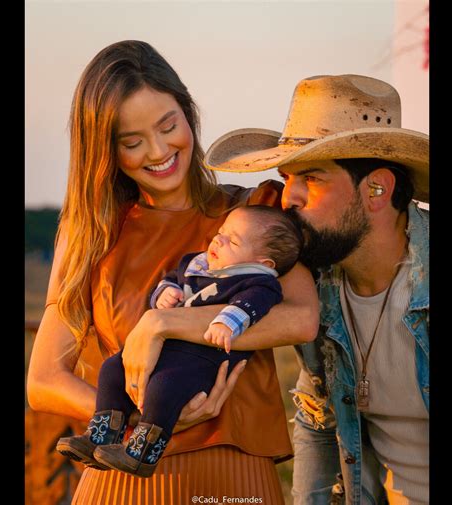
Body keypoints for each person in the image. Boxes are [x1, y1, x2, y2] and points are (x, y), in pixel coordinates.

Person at [26, 40, 320, 504]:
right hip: (118, 479)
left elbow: (301, 318)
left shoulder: (252, 217)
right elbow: (42, 380)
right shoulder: (89, 233)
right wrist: (143, 412)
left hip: (234, 477)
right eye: (132, 141)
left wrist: (163, 322)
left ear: (189, 113)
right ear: (106, 149)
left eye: (168, 126)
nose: (159, 151)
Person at [204, 74, 429, 505]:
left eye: (311, 177)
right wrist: (159, 323)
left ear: (378, 190)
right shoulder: (319, 284)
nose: (289, 198)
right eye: (287, 177)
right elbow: (319, 420)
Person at [56, 204, 303, 478]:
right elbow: (172, 279)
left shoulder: (257, 283)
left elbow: (252, 305)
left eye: (232, 240)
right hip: (168, 351)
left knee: (165, 386)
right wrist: (166, 293)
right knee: (113, 369)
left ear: (263, 263)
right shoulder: (197, 264)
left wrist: (226, 323)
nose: (218, 240)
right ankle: (101, 434)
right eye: (221, 232)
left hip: (202, 361)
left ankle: (143, 451)